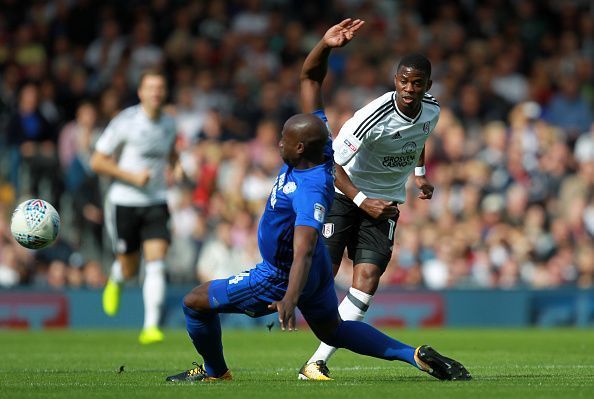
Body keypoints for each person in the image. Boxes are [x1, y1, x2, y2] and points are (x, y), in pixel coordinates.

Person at [166, 19, 470, 383]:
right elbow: (310, 79)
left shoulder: (311, 186)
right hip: (319, 279)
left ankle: (216, 371)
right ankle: (413, 355)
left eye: (283, 139)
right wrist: (324, 44)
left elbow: (306, 247)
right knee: (335, 331)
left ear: (297, 148)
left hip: (280, 275)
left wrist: (289, 296)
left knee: (194, 303)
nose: (278, 144)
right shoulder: (320, 144)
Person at [299, 31, 443, 380]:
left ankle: (316, 362)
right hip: (345, 197)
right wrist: (364, 201)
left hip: (387, 203)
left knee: (367, 279)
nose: (409, 88)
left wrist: (420, 175)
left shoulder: (432, 110)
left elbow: (418, 136)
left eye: (417, 83)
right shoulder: (371, 116)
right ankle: (267, 300)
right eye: (404, 81)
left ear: (427, 85)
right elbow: (330, 164)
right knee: (323, 275)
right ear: (395, 81)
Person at [90, 70, 177, 344]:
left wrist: (178, 167)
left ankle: (150, 326)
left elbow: (171, 152)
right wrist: (133, 177)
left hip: (156, 201)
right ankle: (116, 278)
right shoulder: (125, 121)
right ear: (140, 92)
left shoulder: (169, 124)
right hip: (124, 202)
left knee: (156, 262)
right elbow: (97, 161)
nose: (156, 93)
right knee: (129, 268)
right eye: (151, 88)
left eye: (160, 88)